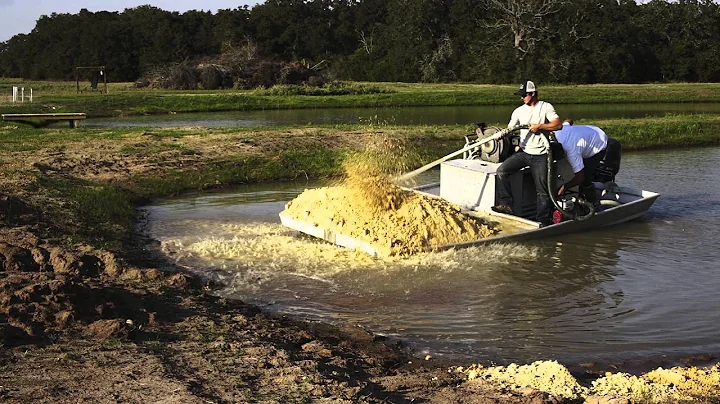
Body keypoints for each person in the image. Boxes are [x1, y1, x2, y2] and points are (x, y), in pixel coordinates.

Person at [490, 80, 562, 226]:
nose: (522, 98)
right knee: (502, 171)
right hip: (524, 152)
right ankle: (507, 204)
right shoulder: (518, 111)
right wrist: (501, 134)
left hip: (541, 155)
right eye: (521, 95)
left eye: (524, 95)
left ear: (533, 94)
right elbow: (511, 128)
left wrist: (540, 126)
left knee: (542, 190)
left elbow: (558, 125)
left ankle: (543, 220)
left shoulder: (545, 107)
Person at [553, 120, 608, 206]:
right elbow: (569, 121)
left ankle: (592, 204)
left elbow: (580, 177)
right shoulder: (557, 131)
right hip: (590, 132)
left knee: (585, 178)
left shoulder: (571, 151)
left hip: (599, 142)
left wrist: (563, 188)